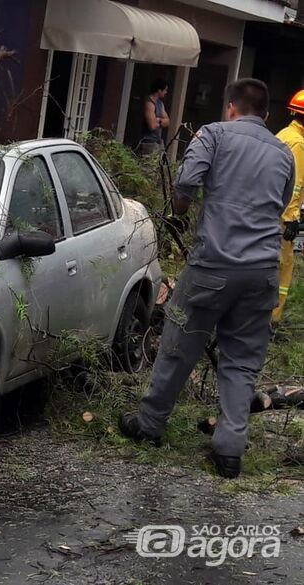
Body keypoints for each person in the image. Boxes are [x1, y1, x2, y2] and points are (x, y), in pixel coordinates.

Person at [119, 79, 296, 479]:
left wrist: (181, 210)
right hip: (262, 273)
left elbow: (186, 182)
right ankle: (229, 450)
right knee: (241, 362)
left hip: (213, 266)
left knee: (179, 345)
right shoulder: (283, 153)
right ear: (265, 115)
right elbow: (281, 203)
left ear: (231, 107)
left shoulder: (214, 134)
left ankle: (149, 424)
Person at [272, 90, 304, 322]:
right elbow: (295, 183)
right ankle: (271, 320)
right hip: (283, 218)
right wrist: (292, 218)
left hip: (269, 208)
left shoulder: (283, 134)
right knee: (283, 270)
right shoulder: (299, 144)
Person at [139, 79, 171, 155]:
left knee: (158, 165)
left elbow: (168, 121)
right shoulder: (149, 103)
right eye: (165, 90)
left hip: (158, 141)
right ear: (159, 90)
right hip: (149, 141)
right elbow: (152, 126)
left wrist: (159, 120)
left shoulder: (160, 104)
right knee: (148, 165)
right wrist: (161, 121)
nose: (166, 92)